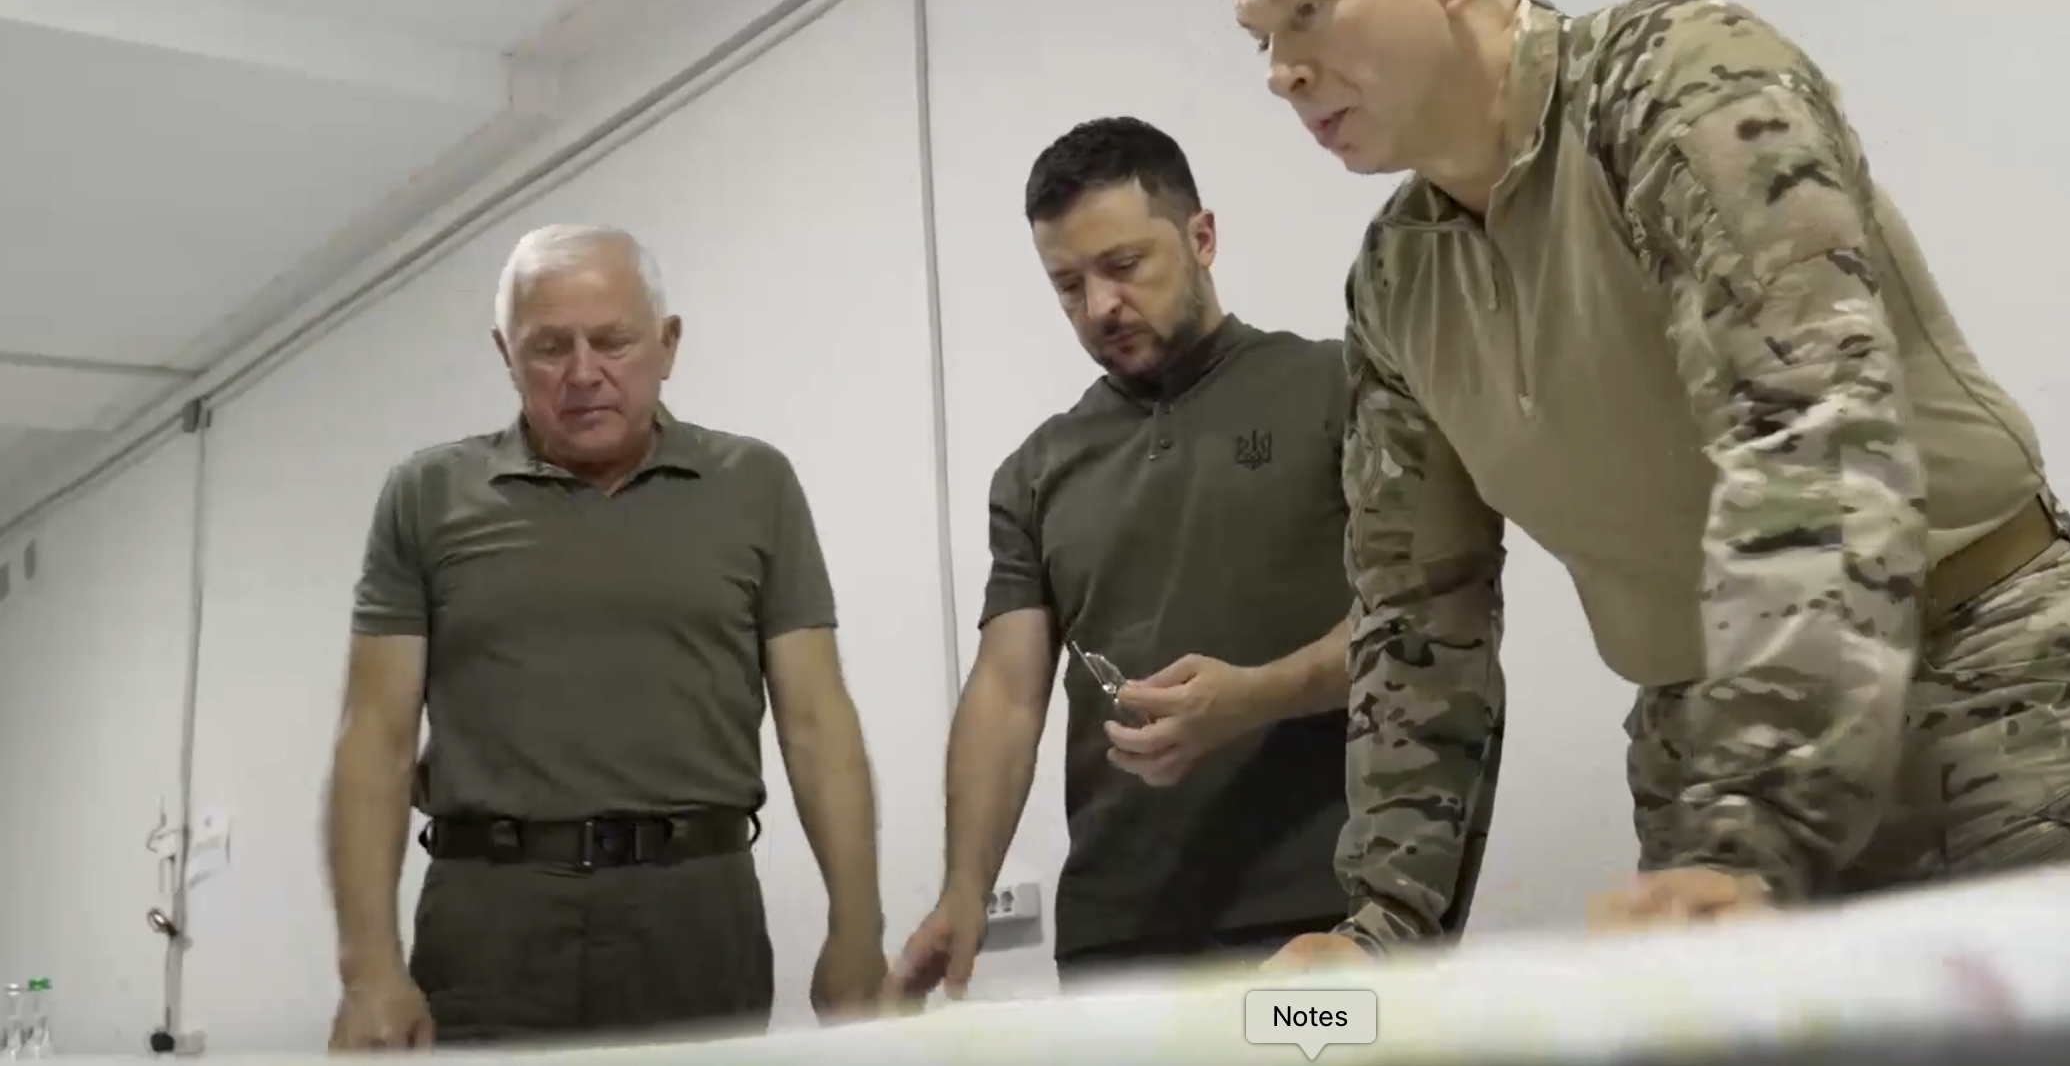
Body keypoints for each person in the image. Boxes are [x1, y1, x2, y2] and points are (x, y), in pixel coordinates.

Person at [1225, 0, 2070, 965]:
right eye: (1256, 40)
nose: (1280, 71)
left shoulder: (1680, 81)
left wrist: (1748, 839)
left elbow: (1808, 446)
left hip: (1978, 695)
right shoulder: (1394, 283)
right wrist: (1380, 930)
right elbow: (1413, 617)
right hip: (1705, 758)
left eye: (1304, 9)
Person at [885, 117, 1473, 997]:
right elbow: (1008, 690)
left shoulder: (1341, 386)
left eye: (1124, 266)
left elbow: (1425, 617)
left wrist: (1255, 696)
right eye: (1067, 285)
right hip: (1116, 948)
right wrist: (965, 887)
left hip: (1329, 929)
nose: (1099, 307)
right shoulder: (1036, 471)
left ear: (1201, 236)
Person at [322, 224, 887, 1047]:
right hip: (491, 917)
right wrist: (368, 965)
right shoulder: (426, 494)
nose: (583, 373)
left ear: (668, 344)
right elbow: (373, 737)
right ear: (505, 354)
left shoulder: (754, 484)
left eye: (612, 341)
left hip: (696, 910)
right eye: (549, 347)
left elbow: (816, 718)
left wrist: (858, 928)